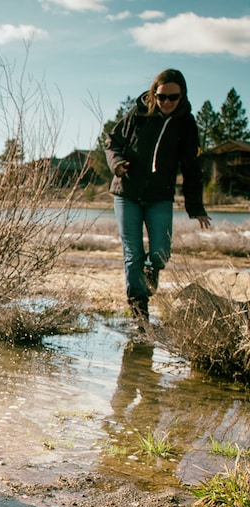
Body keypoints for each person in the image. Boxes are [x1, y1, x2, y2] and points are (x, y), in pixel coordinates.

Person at [104, 68, 211, 325]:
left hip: (159, 196)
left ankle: (152, 271)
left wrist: (195, 206)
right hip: (126, 192)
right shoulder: (139, 113)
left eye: (172, 98)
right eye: (161, 96)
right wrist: (116, 163)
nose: (166, 102)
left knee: (161, 251)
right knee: (133, 253)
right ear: (155, 93)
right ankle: (140, 312)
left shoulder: (186, 124)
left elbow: (191, 169)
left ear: (182, 96)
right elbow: (112, 141)